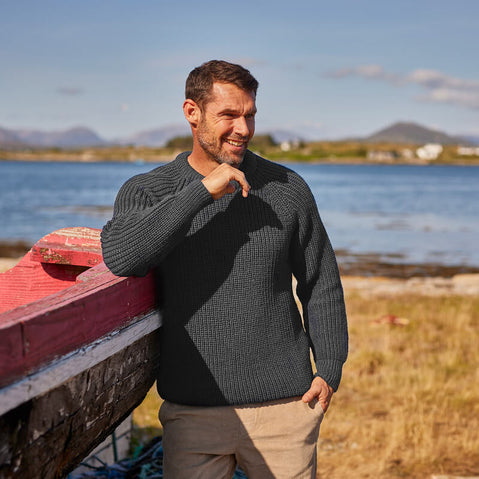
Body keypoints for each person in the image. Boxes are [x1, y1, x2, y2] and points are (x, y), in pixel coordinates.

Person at [101, 60, 348, 478]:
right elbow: (124, 256)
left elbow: (320, 281)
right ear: (191, 113)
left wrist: (330, 368)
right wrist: (203, 191)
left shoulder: (287, 188)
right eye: (229, 115)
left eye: (250, 114)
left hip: (286, 409)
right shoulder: (147, 190)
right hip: (194, 412)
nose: (244, 128)